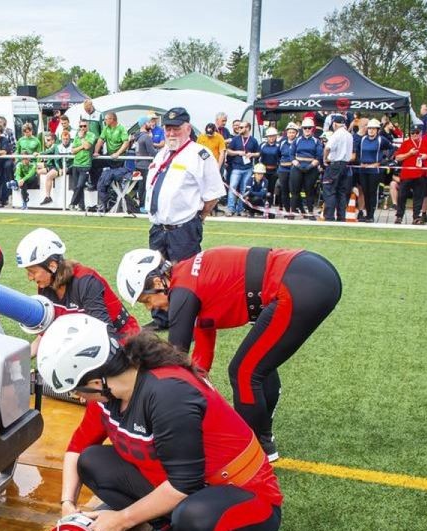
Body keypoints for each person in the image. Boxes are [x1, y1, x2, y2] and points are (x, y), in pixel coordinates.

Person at [38, 316, 282, 531]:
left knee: (192, 519)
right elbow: (77, 448)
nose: (79, 398)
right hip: (193, 486)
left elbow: (184, 485)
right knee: (92, 461)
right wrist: (67, 504)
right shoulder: (113, 389)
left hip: (249, 498)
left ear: (97, 381)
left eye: (77, 390)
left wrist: (121, 519)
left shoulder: (167, 394)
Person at [116, 246, 342, 460]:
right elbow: (200, 357)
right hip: (309, 273)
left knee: (244, 372)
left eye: (147, 300)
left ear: (158, 281)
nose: (151, 308)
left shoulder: (183, 291)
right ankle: (263, 437)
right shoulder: (187, 282)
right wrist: (201, 387)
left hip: (300, 284)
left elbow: (174, 359)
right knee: (258, 366)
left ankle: (255, 449)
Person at [143, 107, 226, 330]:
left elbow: (213, 194)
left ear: (188, 128)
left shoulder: (200, 155)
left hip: (183, 228)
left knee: (185, 278)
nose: (171, 133)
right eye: (168, 128)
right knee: (157, 275)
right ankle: (161, 319)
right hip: (158, 227)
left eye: (176, 128)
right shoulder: (162, 154)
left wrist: (199, 218)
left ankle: (185, 323)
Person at [16, 227, 139, 354]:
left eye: (32, 272)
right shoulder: (45, 287)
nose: (30, 278)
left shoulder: (86, 281)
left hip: (122, 338)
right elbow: (46, 333)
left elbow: (106, 335)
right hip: (87, 340)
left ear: (52, 266)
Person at [353, 119, 393, 222]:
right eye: (369, 128)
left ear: (377, 130)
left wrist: (382, 162)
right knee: (365, 192)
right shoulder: (362, 139)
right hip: (363, 170)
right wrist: (359, 162)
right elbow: (356, 152)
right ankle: (367, 214)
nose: (371, 130)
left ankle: (371, 215)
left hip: (374, 171)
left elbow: (392, 148)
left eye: (373, 128)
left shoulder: (381, 140)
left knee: (372, 192)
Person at [321, 117, 354, 222]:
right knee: (341, 192)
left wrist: (325, 159)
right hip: (345, 165)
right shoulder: (349, 135)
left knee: (329, 190)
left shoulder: (336, 134)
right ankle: (341, 217)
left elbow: (327, 148)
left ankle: (329, 217)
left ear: (334, 124)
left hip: (334, 164)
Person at [289, 118, 323, 216]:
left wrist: (311, 166)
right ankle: (293, 212)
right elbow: (291, 155)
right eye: (305, 128)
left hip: (311, 168)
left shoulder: (317, 141)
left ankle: (310, 212)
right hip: (297, 167)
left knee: (310, 191)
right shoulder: (297, 140)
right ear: (302, 129)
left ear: (312, 129)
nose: (307, 130)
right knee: (295, 191)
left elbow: (319, 156)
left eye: (309, 128)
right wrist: (297, 164)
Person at [224, 121, 259, 215]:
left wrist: (252, 154)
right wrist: (238, 152)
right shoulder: (235, 139)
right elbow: (228, 151)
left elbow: (258, 153)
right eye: (239, 127)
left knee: (244, 189)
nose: (239, 129)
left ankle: (241, 209)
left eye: (241, 127)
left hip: (248, 168)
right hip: (236, 167)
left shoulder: (253, 140)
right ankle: (230, 209)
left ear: (247, 128)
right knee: (233, 188)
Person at [68, 120, 97, 212]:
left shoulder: (91, 135)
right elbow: (72, 150)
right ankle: (81, 206)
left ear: (87, 127)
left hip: (86, 164)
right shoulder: (77, 136)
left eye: (84, 126)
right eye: (80, 126)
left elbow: (88, 146)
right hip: (76, 164)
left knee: (80, 186)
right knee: (77, 186)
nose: (82, 128)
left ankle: (72, 203)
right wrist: (81, 146)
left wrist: (81, 139)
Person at [275, 124, 297, 210]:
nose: (291, 134)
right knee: (284, 190)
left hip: (294, 168)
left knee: (294, 190)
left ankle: (294, 209)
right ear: (286, 133)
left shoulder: (298, 142)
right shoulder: (282, 142)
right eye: (289, 132)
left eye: (293, 132)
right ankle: (287, 210)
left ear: (296, 133)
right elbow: (278, 154)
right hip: (283, 169)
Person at [257, 127, 281, 207]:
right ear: (267, 137)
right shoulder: (262, 145)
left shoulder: (279, 146)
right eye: (269, 136)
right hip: (263, 171)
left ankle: (269, 207)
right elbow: (258, 157)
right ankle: (260, 205)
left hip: (274, 171)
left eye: (273, 136)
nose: (271, 138)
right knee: (262, 188)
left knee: (270, 189)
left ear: (276, 136)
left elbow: (280, 158)